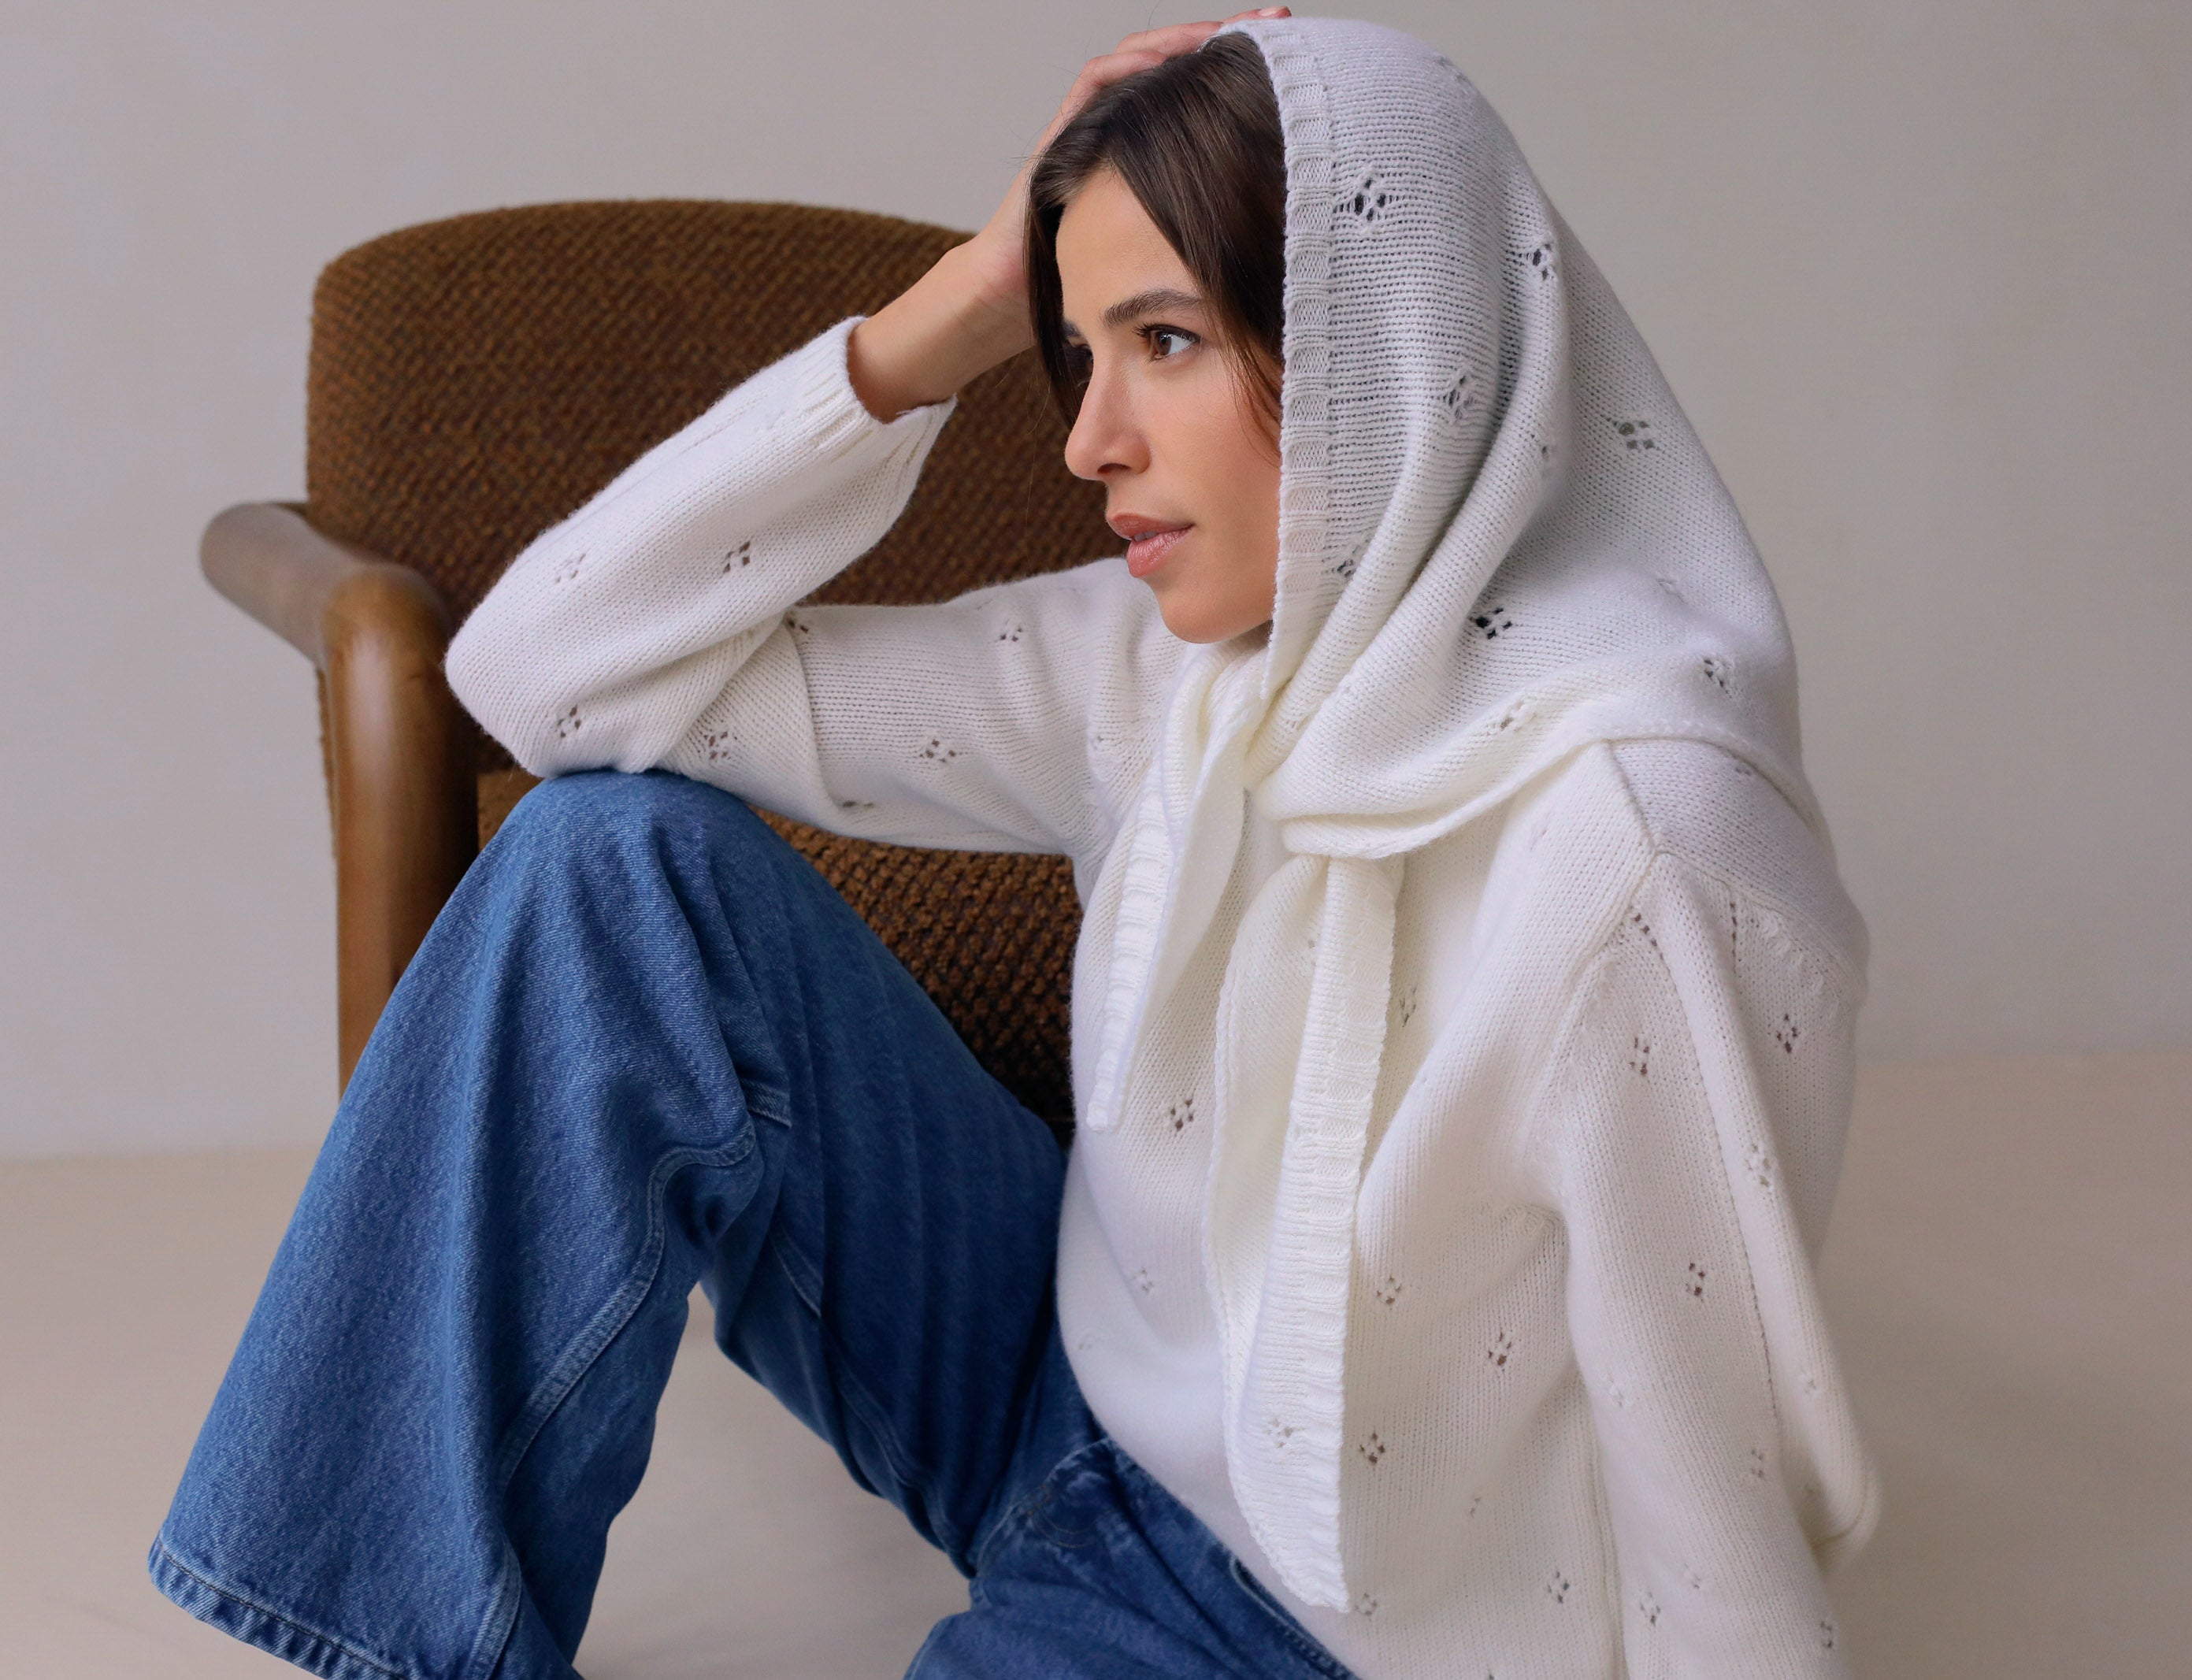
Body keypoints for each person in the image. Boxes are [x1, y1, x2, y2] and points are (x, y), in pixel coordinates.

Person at [151, 13, 1876, 1678]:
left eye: (1166, 339)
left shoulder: (1640, 844)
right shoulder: (1164, 663)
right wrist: (956, 307)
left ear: (1388, 340)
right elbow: (541, 677)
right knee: (605, 866)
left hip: (1302, 1625)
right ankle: (402, 1646)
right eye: (1076, 347)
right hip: (1054, 1388)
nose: (1085, 439)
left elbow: (1711, 1487)